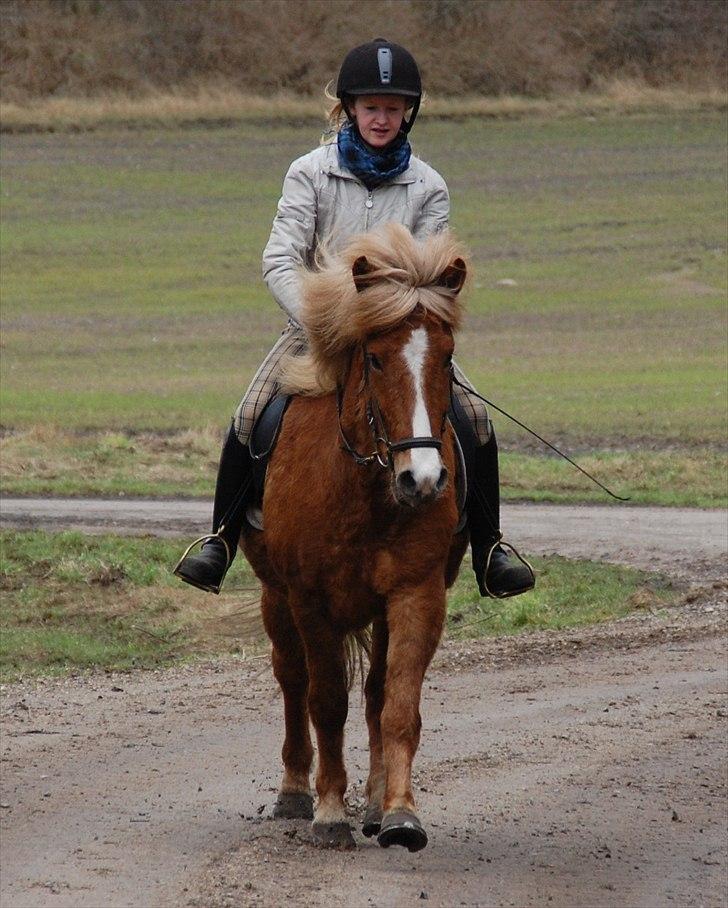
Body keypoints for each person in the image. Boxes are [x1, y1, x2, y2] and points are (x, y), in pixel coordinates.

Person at [174, 38, 535, 599]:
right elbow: (279, 258)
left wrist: (405, 320)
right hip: (312, 332)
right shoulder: (308, 173)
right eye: (371, 107)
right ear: (348, 109)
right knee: (248, 417)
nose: (382, 119)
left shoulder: (429, 186)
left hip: (398, 340)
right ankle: (219, 539)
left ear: (407, 113)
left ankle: (490, 547)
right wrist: (322, 324)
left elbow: (432, 269)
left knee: (476, 422)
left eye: (393, 109)